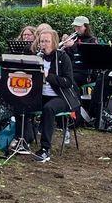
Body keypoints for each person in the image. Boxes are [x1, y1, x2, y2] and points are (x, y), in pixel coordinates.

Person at [34, 28, 82, 162]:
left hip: (61, 96)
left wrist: (48, 77)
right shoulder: (38, 57)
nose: (44, 44)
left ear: (54, 42)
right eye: (42, 41)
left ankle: (45, 149)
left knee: (49, 109)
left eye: (47, 41)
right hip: (41, 94)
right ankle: (23, 139)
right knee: (22, 103)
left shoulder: (62, 57)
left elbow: (68, 82)